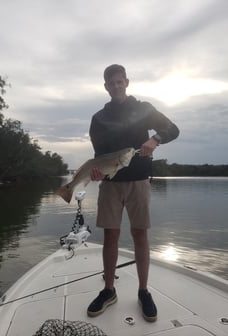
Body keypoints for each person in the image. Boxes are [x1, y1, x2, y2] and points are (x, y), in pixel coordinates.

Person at [87, 64, 179, 322]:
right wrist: (96, 172)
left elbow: (173, 129)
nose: (116, 86)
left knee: (140, 234)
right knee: (110, 236)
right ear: (105, 86)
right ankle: (108, 290)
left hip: (139, 180)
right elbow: (99, 156)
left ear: (126, 82)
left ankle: (143, 291)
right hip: (111, 184)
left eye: (119, 82)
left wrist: (155, 139)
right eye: (111, 83)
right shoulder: (98, 119)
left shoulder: (144, 109)